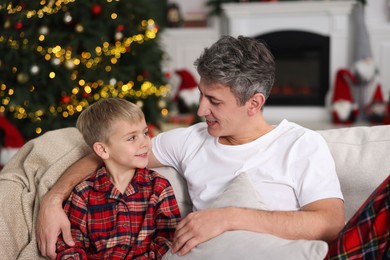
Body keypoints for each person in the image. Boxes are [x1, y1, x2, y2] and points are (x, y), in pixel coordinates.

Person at [38, 35, 357, 259]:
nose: (201, 109)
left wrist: (229, 217)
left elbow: (329, 223)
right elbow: (106, 152)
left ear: (254, 103)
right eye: (202, 95)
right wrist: (53, 201)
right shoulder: (189, 140)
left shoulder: (302, 144)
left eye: (214, 101)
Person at [55, 98, 181, 259]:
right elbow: (71, 245)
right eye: (132, 138)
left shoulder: (159, 186)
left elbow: (169, 240)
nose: (145, 143)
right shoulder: (83, 193)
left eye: (144, 133)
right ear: (102, 149)